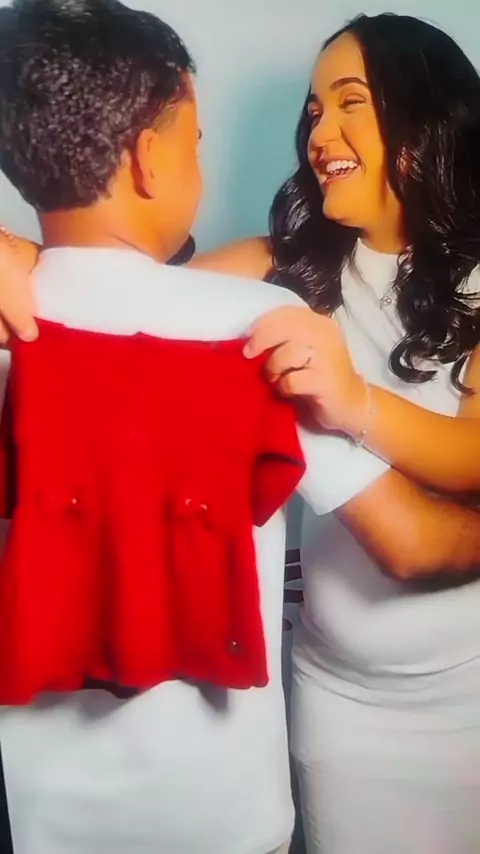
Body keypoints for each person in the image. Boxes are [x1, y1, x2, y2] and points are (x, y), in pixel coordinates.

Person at [1, 6, 480, 854]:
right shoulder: (266, 288)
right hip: (331, 694)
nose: (317, 131)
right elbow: (120, 284)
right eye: (312, 108)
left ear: (428, 121)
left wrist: (354, 403)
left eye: (350, 101)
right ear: (154, 156)